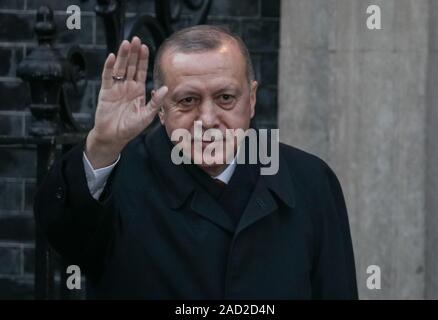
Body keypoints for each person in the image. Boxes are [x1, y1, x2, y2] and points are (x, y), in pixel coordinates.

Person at [34, 25, 358, 299]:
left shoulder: (310, 180)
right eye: (187, 101)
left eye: (225, 98)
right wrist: (103, 145)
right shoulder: (117, 180)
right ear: (160, 108)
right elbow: (63, 234)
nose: (207, 119)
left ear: (253, 99)